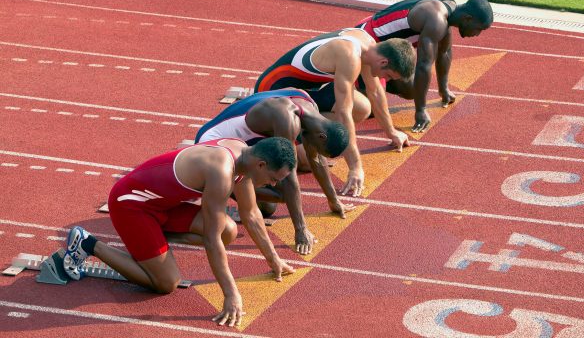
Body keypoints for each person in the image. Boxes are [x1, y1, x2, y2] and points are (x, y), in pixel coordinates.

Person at [61, 137, 296, 328]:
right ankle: (88, 244)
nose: (273, 185)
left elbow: (252, 214)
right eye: (274, 179)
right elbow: (211, 241)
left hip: (162, 205)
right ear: (261, 165)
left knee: (229, 230)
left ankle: (150, 244)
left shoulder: (243, 156)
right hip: (131, 205)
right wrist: (231, 294)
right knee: (166, 283)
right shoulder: (222, 171)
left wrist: (274, 260)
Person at [254, 28, 415, 197]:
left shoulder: (370, 47)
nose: (386, 81)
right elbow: (343, 113)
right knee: (305, 161)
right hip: (273, 91)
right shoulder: (350, 56)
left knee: (362, 108)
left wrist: (391, 131)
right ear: (383, 62)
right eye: (388, 76)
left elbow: (375, 92)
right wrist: (355, 167)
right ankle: (295, 130)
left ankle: (305, 125)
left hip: (307, 89)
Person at [195, 88, 352, 255]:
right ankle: (219, 190)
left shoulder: (309, 107)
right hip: (212, 144)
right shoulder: (287, 119)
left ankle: (232, 190)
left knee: (269, 206)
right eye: (321, 150)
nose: (317, 153)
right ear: (322, 137)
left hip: (239, 146)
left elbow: (316, 159)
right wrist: (301, 229)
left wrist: (334, 200)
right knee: (283, 194)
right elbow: (289, 177)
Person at [357, 0, 493, 132]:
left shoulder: (448, 8)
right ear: (467, 18)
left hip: (384, 50)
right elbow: (424, 65)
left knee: (411, 89)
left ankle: (367, 84)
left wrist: (443, 88)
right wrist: (420, 110)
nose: (477, 34)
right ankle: (347, 87)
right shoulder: (436, 20)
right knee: (369, 109)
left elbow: (444, 51)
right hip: (368, 44)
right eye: (479, 29)